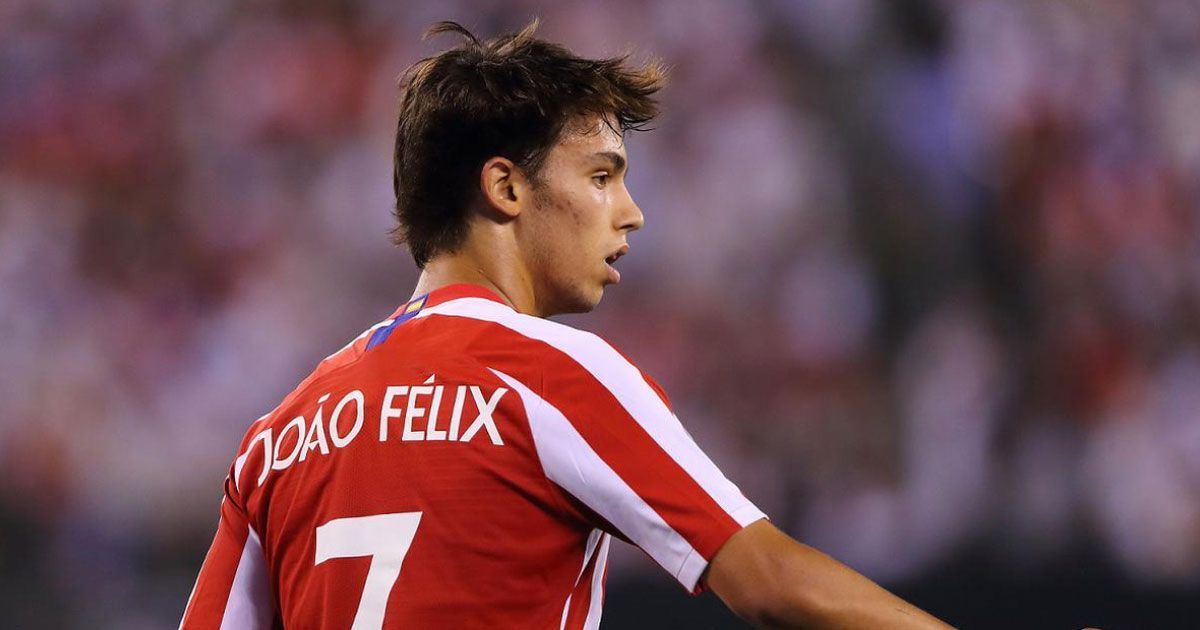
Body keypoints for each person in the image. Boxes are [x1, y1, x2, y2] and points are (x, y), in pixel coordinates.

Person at [180, 20, 954, 629]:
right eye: (601, 175)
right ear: (506, 188)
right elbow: (770, 583)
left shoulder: (277, 438)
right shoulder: (551, 375)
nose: (631, 211)